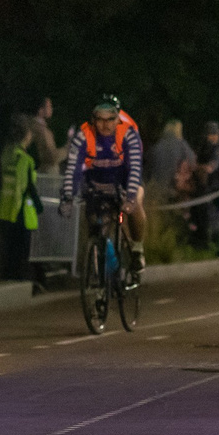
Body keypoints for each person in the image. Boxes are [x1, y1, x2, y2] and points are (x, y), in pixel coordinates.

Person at [61, 94, 144, 289]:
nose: (105, 125)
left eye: (110, 119)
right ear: (93, 119)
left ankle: (137, 249)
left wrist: (130, 197)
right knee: (95, 225)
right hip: (97, 181)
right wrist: (67, 197)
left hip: (122, 180)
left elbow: (134, 168)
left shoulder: (128, 133)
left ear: (118, 118)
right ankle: (101, 267)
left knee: (135, 203)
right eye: (100, 119)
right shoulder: (83, 135)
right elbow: (73, 168)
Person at [0, 116, 41, 284]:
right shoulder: (26, 160)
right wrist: (39, 206)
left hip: (3, 208)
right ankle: (19, 277)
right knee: (21, 250)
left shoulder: (6, 154)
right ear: (26, 136)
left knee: (7, 248)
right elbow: (28, 187)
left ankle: (5, 275)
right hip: (19, 211)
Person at [193, 120, 219, 247]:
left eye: (211, 134)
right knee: (205, 220)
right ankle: (208, 243)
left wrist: (199, 168)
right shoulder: (203, 150)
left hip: (218, 190)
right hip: (208, 191)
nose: (209, 137)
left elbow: (210, 168)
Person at [146, 118, 192, 199]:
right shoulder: (182, 146)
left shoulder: (156, 146)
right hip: (173, 191)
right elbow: (192, 163)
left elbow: (147, 166)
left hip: (154, 191)